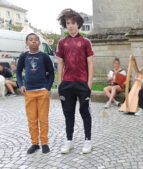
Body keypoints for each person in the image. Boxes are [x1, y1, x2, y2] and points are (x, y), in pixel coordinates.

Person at [56, 8, 94, 154]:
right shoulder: (62, 43)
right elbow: (60, 63)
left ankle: (88, 140)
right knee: (68, 113)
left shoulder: (85, 42)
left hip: (82, 83)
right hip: (67, 84)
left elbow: (90, 63)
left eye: (73, 23)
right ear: (65, 25)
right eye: (68, 23)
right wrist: (60, 83)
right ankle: (69, 141)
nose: (70, 26)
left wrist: (89, 83)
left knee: (85, 112)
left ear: (78, 24)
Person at [16, 33, 54, 154]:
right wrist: (21, 84)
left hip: (42, 92)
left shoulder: (44, 56)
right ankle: (34, 143)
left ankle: (44, 143)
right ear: (27, 43)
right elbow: (18, 72)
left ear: (39, 42)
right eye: (30, 40)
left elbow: (52, 73)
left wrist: (47, 88)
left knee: (43, 119)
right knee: (32, 120)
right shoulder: (24, 56)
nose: (33, 42)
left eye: (36, 40)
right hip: (29, 93)